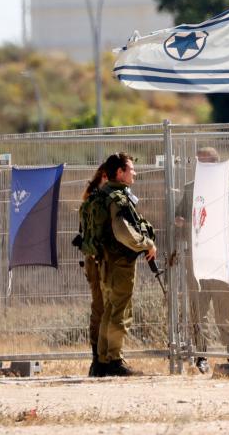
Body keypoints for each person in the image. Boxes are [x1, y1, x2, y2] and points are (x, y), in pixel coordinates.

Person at [79, 152, 157, 377]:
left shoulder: (102, 194)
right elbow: (122, 231)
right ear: (120, 173)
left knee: (109, 311)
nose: (135, 173)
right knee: (119, 313)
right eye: (131, 169)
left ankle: (103, 361)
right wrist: (146, 244)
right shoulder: (117, 197)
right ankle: (113, 359)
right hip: (119, 263)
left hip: (105, 261)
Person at [175, 147, 229, 374]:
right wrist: (180, 221)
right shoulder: (190, 189)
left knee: (225, 308)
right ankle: (201, 355)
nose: (198, 167)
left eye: (203, 163)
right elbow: (181, 216)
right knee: (198, 309)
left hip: (221, 258)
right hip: (196, 259)